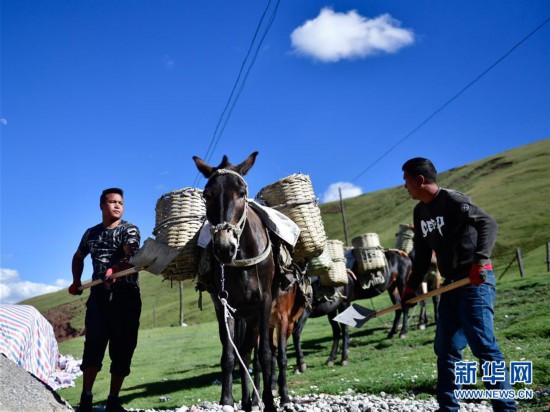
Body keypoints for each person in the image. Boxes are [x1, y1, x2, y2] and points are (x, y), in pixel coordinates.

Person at [400, 158, 516, 412]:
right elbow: (421, 255)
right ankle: (448, 408)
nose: (405, 186)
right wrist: (410, 288)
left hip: (475, 283)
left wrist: (480, 260)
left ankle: (506, 408)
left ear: (420, 179)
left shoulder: (453, 200)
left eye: (406, 180)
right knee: (446, 348)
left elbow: (488, 223)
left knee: (484, 347)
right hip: (450, 287)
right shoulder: (420, 213)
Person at [69, 188, 141, 412]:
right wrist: (76, 281)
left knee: (123, 348)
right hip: (99, 297)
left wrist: (116, 268)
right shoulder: (91, 233)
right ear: (102, 206)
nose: (118, 205)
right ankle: (86, 397)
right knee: (93, 346)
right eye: (112, 202)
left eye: (121, 202)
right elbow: (79, 256)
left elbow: (132, 256)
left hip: (126, 298)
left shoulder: (129, 229)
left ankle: (112, 400)